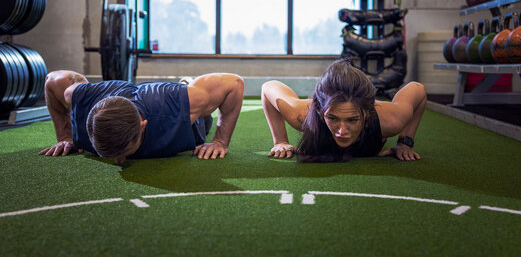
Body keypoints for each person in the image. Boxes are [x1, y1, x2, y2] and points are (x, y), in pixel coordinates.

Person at [39, 70, 244, 165]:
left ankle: (185, 80)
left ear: (143, 126)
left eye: (126, 151)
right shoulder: (81, 100)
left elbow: (234, 83)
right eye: (109, 155)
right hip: (115, 93)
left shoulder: (175, 106)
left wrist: (220, 141)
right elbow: (52, 80)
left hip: (185, 116)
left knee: (198, 103)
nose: (120, 161)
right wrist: (66, 136)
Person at [261, 59, 426, 162]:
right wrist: (280, 141)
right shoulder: (301, 114)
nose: (342, 131)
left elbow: (417, 89)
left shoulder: (391, 120)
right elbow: (268, 87)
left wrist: (405, 142)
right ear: (320, 112)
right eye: (333, 118)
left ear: (367, 114)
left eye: (352, 120)